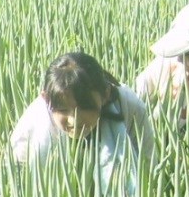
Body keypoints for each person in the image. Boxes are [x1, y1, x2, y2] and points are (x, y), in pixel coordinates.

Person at [9, 51, 155, 183]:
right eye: (63, 110)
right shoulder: (35, 124)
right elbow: (12, 183)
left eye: (85, 108)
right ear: (46, 99)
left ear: (105, 95)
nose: (74, 120)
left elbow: (148, 164)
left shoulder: (129, 107)